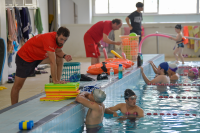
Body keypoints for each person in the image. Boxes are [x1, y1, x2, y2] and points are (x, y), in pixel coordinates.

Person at [11, 27, 72, 105]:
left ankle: (57, 84)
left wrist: (65, 56)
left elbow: (58, 51)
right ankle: (13, 107)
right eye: (61, 39)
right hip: (24, 58)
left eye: (65, 40)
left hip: (37, 58)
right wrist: (54, 79)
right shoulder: (49, 39)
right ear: (56, 35)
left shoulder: (58, 41)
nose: (63, 42)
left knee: (60, 59)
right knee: (17, 86)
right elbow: (52, 62)